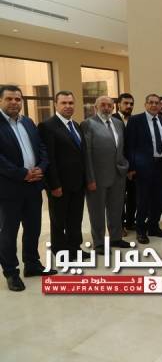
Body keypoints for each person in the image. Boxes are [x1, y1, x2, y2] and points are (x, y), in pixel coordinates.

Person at [0, 85, 56, 292]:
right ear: (0, 101)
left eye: (18, 99)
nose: (14, 103)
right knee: (9, 232)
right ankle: (11, 272)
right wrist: (22, 173)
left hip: (33, 186)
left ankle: (32, 264)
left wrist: (41, 167)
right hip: (9, 189)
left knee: (33, 228)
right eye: (9, 99)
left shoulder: (28, 122)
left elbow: (41, 148)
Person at [38, 91, 88, 258]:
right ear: (55, 105)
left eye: (71, 103)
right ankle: (60, 251)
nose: (68, 106)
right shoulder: (47, 126)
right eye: (64, 103)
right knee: (58, 221)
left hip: (78, 183)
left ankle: (75, 248)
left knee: (75, 218)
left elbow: (81, 155)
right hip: (59, 184)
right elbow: (49, 158)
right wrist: (54, 185)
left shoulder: (76, 125)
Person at [81, 96, 130, 254]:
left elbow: (121, 147)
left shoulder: (118, 123)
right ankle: (99, 242)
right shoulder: (88, 124)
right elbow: (87, 153)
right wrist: (90, 178)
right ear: (95, 107)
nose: (106, 108)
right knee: (97, 211)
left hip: (118, 174)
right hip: (98, 176)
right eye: (103, 105)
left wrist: (124, 165)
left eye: (109, 105)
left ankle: (116, 237)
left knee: (116, 209)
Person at [126, 94, 162, 244]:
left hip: (160, 165)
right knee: (143, 200)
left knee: (158, 199)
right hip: (142, 167)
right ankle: (140, 231)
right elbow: (130, 145)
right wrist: (131, 168)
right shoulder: (135, 120)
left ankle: (153, 227)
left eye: (157, 103)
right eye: (151, 102)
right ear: (145, 104)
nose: (154, 105)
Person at [113, 92, 136, 235]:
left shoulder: (135, 120)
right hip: (117, 167)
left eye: (131, 104)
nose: (129, 106)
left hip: (133, 167)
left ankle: (130, 222)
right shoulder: (112, 119)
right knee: (118, 199)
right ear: (118, 105)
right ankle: (119, 225)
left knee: (133, 196)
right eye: (126, 103)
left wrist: (132, 167)